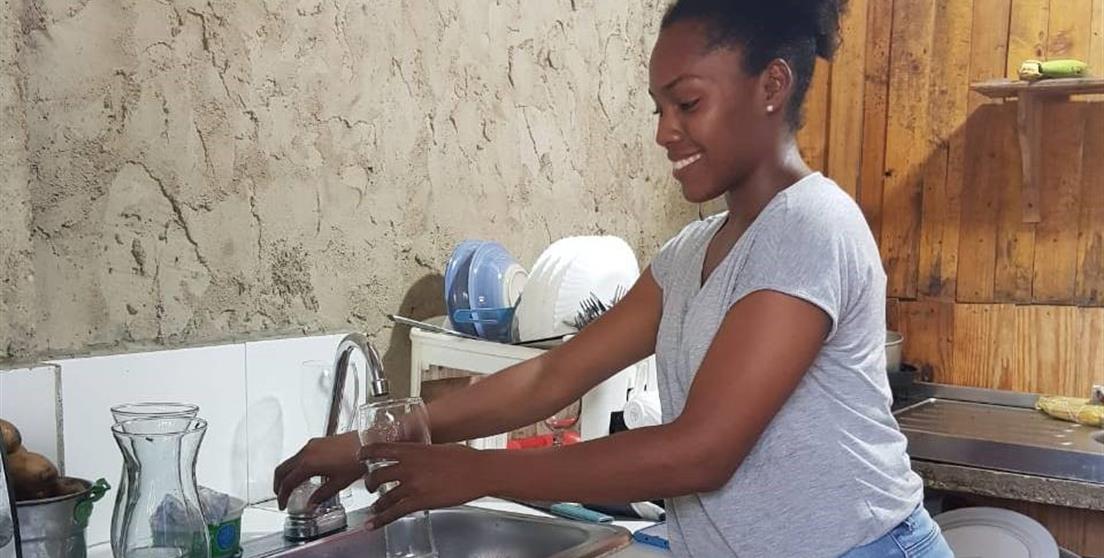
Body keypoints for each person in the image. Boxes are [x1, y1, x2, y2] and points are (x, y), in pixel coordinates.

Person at [273, 1, 954, 556]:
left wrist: (475, 472)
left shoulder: (811, 225)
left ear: (771, 86)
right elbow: (549, 378)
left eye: (687, 103)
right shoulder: (690, 255)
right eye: (659, 107)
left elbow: (701, 453)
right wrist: (371, 444)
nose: (665, 131)